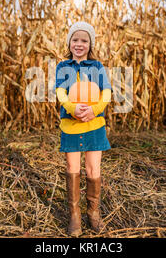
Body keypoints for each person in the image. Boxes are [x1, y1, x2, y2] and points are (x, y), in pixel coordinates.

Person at [54, 21, 112, 237]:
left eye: (84, 40)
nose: (79, 44)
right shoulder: (63, 67)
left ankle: (93, 213)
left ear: (90, 44)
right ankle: (75, 216)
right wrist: (71, 107)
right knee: (72, 167)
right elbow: (60, 92)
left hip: (94, 124)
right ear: (69, 42)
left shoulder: (96, 67)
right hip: (71, 123)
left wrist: (95, 110)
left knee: (93, 169)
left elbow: (106, 93)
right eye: (75, 39)